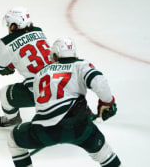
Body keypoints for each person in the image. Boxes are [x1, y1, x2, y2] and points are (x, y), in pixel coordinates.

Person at [7, 37, 121, 167]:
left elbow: (44, 104)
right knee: (104, 153)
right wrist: (107, 103)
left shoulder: (40, 73)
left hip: (44, 131)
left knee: (13, 140)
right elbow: (99, 82)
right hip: (79, 128)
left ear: (55, 54)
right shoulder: (80, 65)